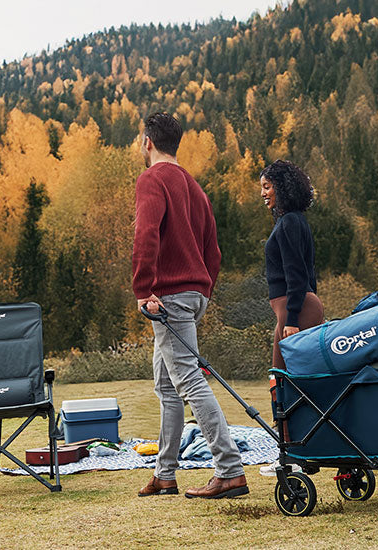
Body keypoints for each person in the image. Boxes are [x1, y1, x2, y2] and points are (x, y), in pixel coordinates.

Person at [132, 112, 247, 499]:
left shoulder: (152, 179)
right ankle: (165, 474)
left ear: (148, 141)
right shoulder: (195, 188)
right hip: (192, 294)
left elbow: (146, 235)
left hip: (168, 297)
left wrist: (143, 289)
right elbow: (213, 250)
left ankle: (229, 470)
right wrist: (204, 292)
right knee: (167, 386)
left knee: (190, 381)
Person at [258, 160, 325, 476]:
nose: (263, 194)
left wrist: (293, 318)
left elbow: (297, 276)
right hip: (297, 308)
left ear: (282, 188)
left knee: (281, 382)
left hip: (293, 311)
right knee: (291, 383)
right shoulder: (294, 222)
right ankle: (300, 452)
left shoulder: (289, 224)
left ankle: (291, 456)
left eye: (267, 186)